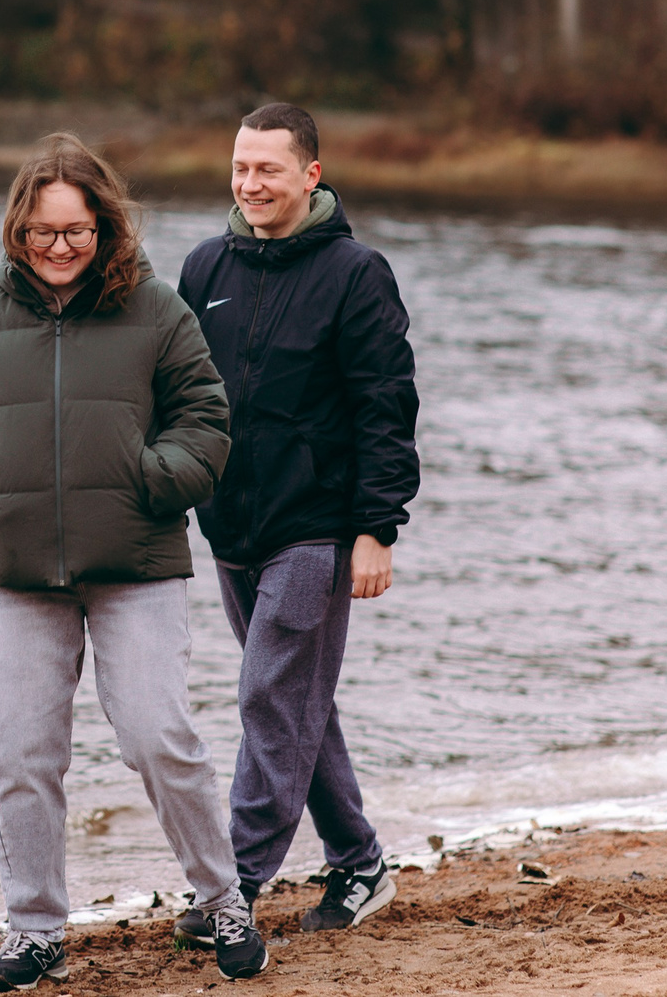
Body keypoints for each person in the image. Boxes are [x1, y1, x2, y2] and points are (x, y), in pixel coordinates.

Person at [0, 133, 269, 988]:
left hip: (138, 564)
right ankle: (35, 928)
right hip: (18, 571)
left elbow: (206, 418)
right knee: (24, 756)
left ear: (105, 228)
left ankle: (222, 901)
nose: (59, 247)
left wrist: (153, 480)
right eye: (42, 232)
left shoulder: (155, 310)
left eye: (76, 231)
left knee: (159, 738)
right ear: (18, 231)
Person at [176, 102, 420, 936]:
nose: (250, 184)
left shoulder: (357, 273)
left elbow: (386, 407)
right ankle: (359, 864)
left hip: (316, 528)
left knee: (269, 696)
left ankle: (232, 887)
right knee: (297, 701)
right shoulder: (205, 269)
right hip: (232, 527)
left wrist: (376, 527)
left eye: (267, 169)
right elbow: (179, 397)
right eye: (240, 168)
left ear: (310, 174)